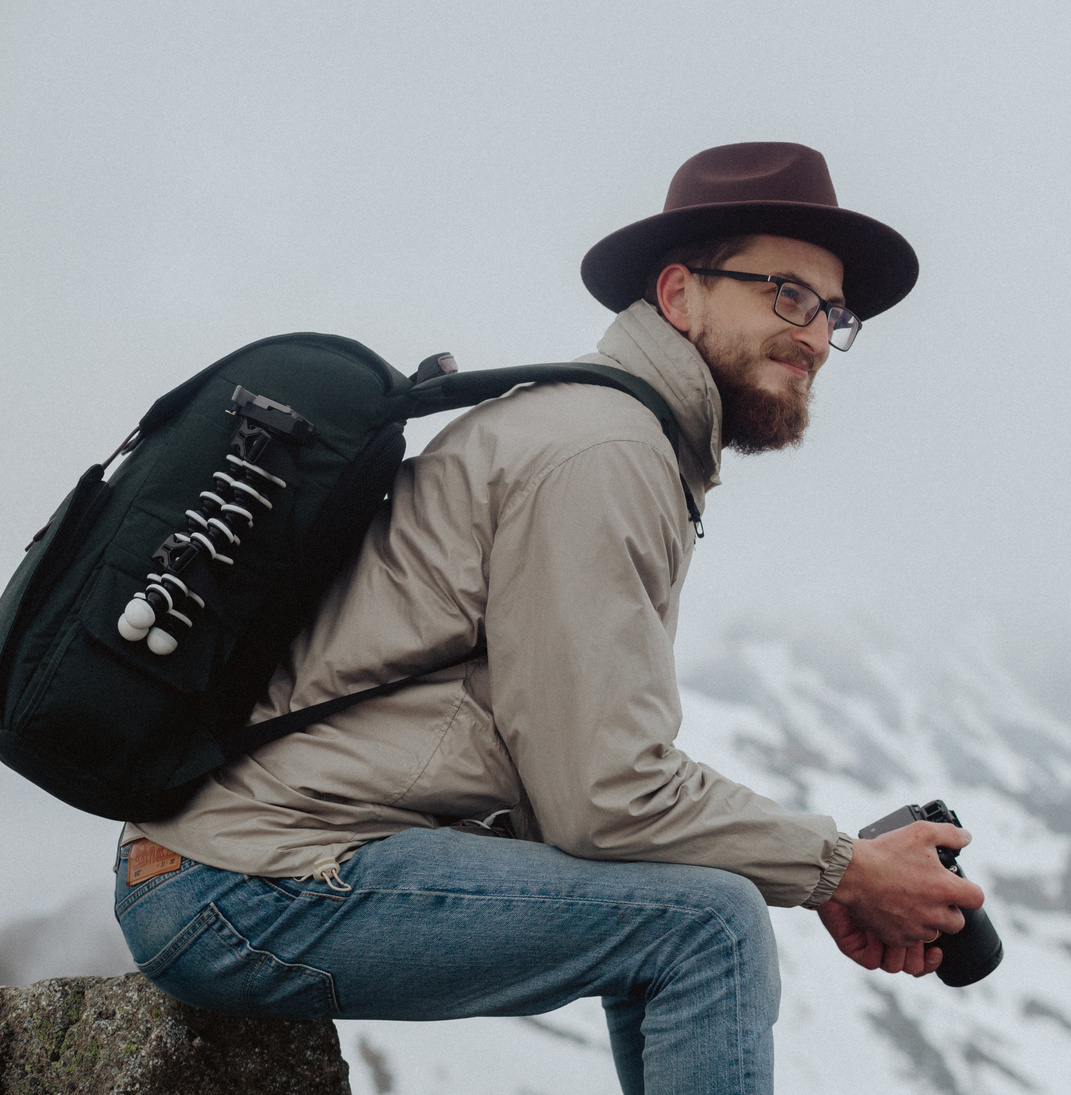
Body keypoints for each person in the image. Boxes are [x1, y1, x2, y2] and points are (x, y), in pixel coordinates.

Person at [113, 142, 985, 1095]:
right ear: (680, 292)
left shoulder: (613, 436)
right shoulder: (602, 453)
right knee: (709, 925)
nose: (816, 335)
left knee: (678, 903)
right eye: (786, 293)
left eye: (834, 312)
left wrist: (823, 872)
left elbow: (581, 800)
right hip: (246, 880)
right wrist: (841, 869)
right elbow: (608, 798)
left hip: (240, 862)